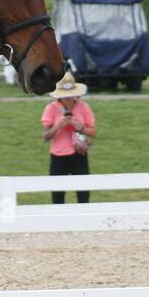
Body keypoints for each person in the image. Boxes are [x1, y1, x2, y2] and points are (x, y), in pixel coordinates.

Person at [41, 73, 97, 204]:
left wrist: (81, 128)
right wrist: (58, 126)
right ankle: (59, 222)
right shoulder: (51, 108)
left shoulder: (83, 107)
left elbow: (93, 132)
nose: (68, 98)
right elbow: (46, 137)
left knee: (83, 193)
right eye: (65, 95)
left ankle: (83, 220)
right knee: (57, 194)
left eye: (71, 94)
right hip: (58, 156)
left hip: (79, 154)